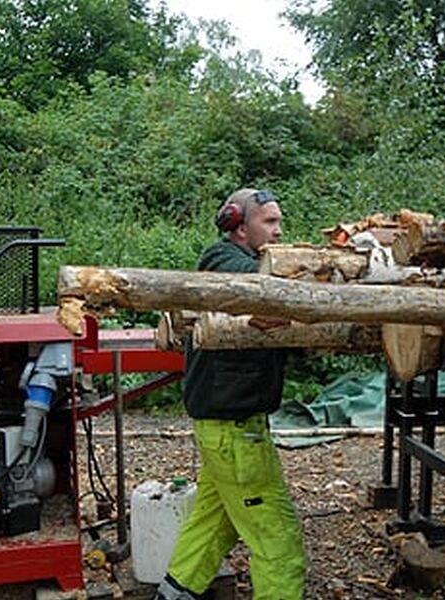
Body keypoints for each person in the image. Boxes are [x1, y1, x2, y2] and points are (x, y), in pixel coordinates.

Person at [155, 188, 306, 600]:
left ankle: (172, 596)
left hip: (229, 430)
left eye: (279, 221)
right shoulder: (223, 263)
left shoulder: (252, 264)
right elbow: (268, 292)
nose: (278, 231)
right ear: (237, 226)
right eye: (269, 222)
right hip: (235, 434)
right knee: (280, 545)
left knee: (211, 527)